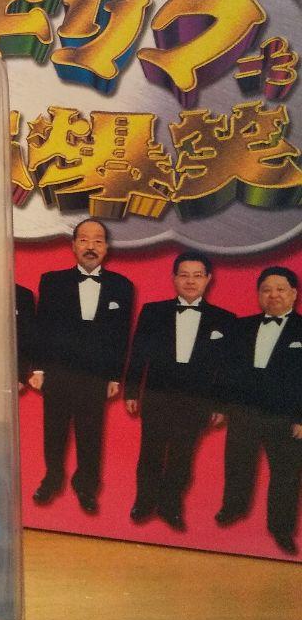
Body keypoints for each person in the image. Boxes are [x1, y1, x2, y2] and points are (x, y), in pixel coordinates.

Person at [29, 218, 134, 514]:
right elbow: (41, 327)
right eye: (84, 240)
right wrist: (38, 369)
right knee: (54, 431)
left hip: (95, 375)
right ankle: (52, 479)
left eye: (98, 241)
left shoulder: (122, 286)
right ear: (74, 246)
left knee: (91, 434)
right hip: (58, 371)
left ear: (107, 248)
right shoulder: (52, 281)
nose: (91, 246)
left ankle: (87, 486)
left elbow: (121, 335)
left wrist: (115, 376)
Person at [123, 251, 233, 530]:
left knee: (183, 457)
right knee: (150, 453)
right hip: (157, 396)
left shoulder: (225, 319)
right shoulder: (153, 312)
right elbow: (138, 354)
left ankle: (170, 507)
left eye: (197, 275)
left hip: (196, 401)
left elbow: (226, 370)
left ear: (208, 279)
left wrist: (221, 406)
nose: (190, 281)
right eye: (184, 275)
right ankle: (143, 502)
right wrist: (132, 392)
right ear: (174, 278)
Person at [215, 266, 302, 555]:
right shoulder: (241, 327)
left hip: (286, 417)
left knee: (286, 474)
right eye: (266, 290)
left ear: (294, 293)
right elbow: (226, 370)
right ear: (258, 295)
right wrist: (222, 407)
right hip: (244, 411)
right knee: (237, 464)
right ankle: (233, 508)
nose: (273, 295)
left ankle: (281, 529)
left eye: (280, 289)